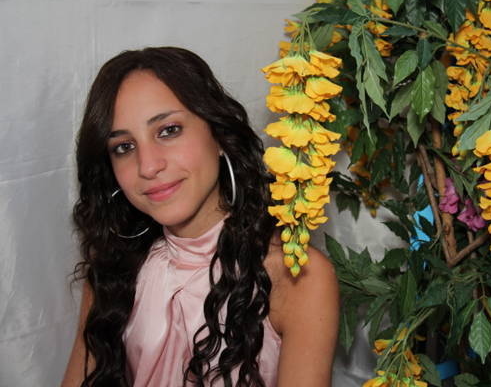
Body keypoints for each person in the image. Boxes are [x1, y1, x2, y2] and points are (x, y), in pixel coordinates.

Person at [61, 47, 339, 387]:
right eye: (124, 147)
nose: (148, 166)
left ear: (219, 135)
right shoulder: (113, 269)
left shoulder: (296, 276)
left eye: (168, 130)